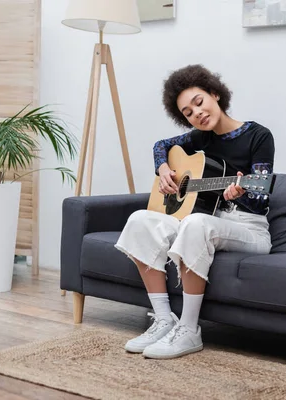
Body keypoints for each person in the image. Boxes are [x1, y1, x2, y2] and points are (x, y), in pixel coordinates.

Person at [114, 64, 275, 359]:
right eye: (187, 112)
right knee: (139, 220)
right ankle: (164, 319)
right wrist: (163, 169)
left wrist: (240, 193)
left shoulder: (258, 135)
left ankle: (189, 330)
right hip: (206, 222)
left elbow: (260, 197)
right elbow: (161, 145)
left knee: (196, 222)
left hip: (249, 228)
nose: (196, 113)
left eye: (199, 102)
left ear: (215, 94)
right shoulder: (199, 139)